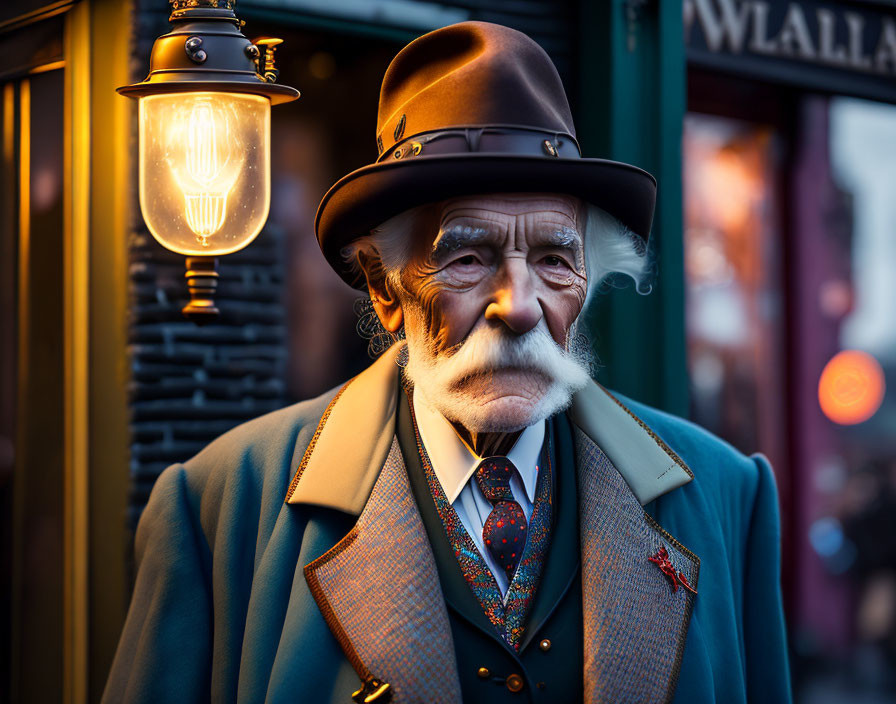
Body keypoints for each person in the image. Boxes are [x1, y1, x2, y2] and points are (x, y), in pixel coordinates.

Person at [103, 21, 792, 704]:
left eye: (554, 259)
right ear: (385, 288)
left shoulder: (727, 496)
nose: (518, 306)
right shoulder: (219, 508)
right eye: (468, 257)